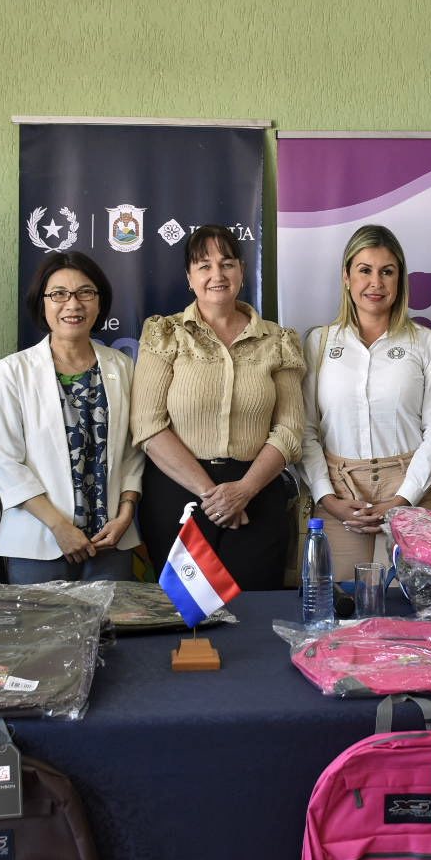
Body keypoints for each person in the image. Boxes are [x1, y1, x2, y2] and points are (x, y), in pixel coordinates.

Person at [131, 225, 305, 590]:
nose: (217, 275)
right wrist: (213, 495)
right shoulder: (166, 333)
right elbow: (147, 424)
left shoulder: (278, 340)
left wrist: (243, 491)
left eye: (227, 264)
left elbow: (290, 429)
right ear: (189, 277)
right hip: (179, 493)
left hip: (257, 493)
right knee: (186, 613)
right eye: (204, 266)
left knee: (254, 611)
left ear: (242, 271)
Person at [300, 225, 431, 579]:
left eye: (387, 271)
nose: (376, 283)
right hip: (339, 495)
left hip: (410, 489)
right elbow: (306, 431)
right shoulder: (319, 343)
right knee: (338, 603)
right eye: (364, 270)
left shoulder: (425, 343)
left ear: (400, 279)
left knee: (412, 605)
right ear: (346, 277)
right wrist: (328, 499)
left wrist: (401, 500)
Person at [0, 253, 144, 583]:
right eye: (59, 294)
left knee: (115, 619)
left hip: (110, 540)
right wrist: (60, 527)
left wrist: (126, 514)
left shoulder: (122, 367)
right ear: (42, 303)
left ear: (99, 302)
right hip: (38, 543)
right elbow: (6, 462)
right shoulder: (13, 370)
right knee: (42, 621)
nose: (73, 304)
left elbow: (133, 452)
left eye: (85, 292)